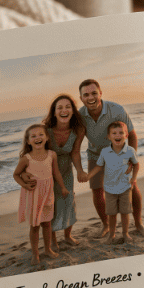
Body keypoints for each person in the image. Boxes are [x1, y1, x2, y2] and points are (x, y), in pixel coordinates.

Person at [78, 79, 144, 236]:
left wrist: (131, 158)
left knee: (132, 186)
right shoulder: (79, 116)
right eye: (86, 95)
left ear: (100, 93)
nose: (91, 98)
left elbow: (132, 135)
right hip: (96, 155)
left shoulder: (116, 110)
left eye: (94, 93)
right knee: (97, 190)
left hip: (120, 153)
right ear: (81, 98)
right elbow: (74, 141)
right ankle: (107, 226)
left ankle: (138, 223)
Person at [13, 124, 68, 264]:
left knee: (47, 223)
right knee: (35, 226)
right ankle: (35, 254)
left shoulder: (51, 155)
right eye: (33, 136)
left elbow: (56, 173)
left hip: (48, 193)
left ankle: (48, 249)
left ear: (47, 137)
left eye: (40, 134)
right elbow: (16, 174)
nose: (37, 138)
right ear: (28, 141)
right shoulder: (26, 158)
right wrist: (24, 185)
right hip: (33, 195)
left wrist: (62, 187)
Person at [43, 94, 86, 246]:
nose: (64, 110)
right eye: (59, 107)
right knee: (51, 205)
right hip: (47, 173)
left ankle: (68, 236)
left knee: (69, 201)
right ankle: (53, 240)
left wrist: (80, 170)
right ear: (54, 112)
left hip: (66, 170)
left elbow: (75, 152)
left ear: (73, 111)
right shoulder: (45, 130)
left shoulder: (78, 129)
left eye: (68, 107)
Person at [85, 121, 139, 242]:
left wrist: (133, 179)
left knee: (125, 213)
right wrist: (89, 176)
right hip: (109, 189)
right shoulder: (105, 152)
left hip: (125, 187)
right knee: (112, 214)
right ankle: (112, 235)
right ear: (109, 137)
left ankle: (125, 234)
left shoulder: (130, 150)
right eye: (114, 133)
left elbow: (136, 165)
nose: (117, 135)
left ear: (126, 135)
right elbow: (99, 166)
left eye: (121, 133)